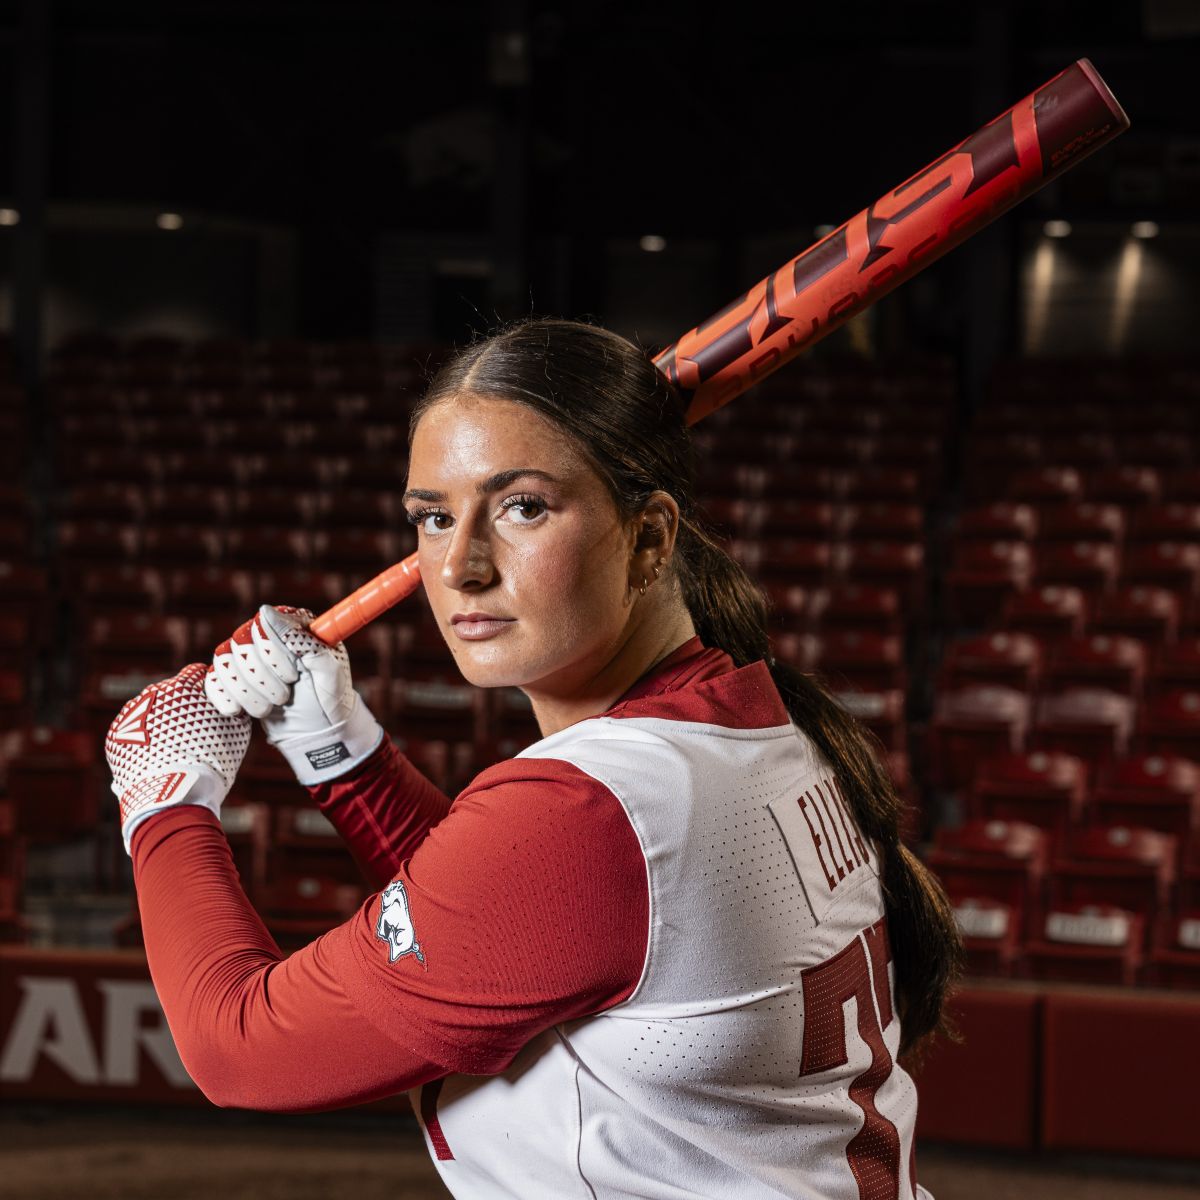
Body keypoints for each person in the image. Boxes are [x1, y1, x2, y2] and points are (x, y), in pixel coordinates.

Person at [105, 315, 962, 1200]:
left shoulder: (589, 815)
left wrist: (164, 796)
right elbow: (523, 927)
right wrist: (339, 753)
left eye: (523, 507)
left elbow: (237, 1048)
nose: (461, 566)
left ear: (651, 538)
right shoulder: (759, 729)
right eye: (434, 517)